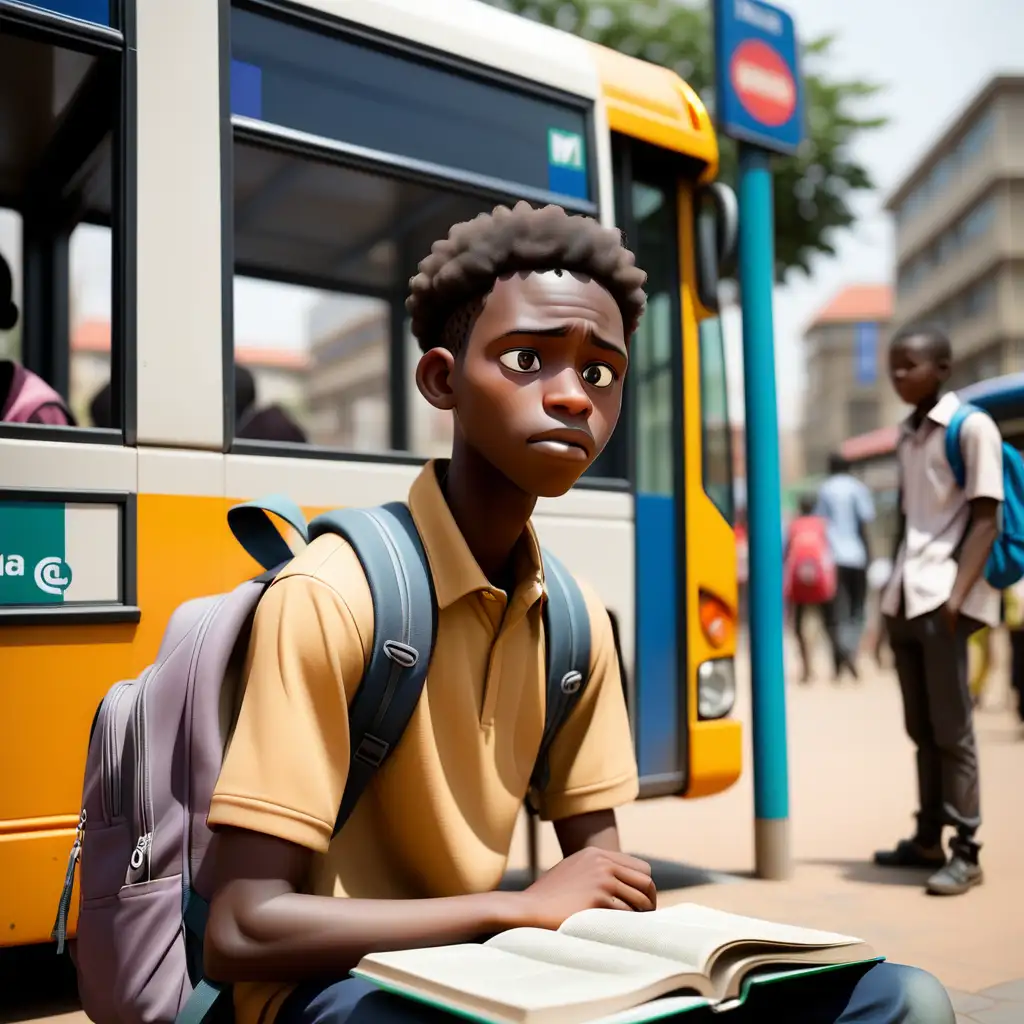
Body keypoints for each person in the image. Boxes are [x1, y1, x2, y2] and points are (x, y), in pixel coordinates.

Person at [203, 203, 954, 1024]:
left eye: (600, 373)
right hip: (343, 993)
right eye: (528, 359)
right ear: (443, 380)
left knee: (898, 999)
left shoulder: (572, 617)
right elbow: (242, 931)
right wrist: (511, 910)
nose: (571, 396)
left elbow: (600, 882)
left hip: (497, 981)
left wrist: (682, 976)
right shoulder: (331, 594)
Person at [874, 324, 1002, 897]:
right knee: (919, 726)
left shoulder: (972, 428)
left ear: (943, 368)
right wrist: (890, 598)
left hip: (942, 599)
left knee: (953, 729)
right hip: (906, 593)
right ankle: (927, 836)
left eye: (911, 366)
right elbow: (910, 520)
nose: (899, 376)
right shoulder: (906, 435)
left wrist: (955, 599)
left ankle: (966, 849)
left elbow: (986, 517)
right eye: (894, 366)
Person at [816, 452, 876, 679]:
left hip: (832, 559)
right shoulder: (857, 488)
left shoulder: (825, 489)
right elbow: (864, 525)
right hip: (856, 557)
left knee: (836, 611)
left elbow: (820, 524)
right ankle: (850, 651)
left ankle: (841, 655)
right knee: (856, 609)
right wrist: (869, 556)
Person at [785, 494, 838, 683]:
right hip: (821, 582)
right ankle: (838, 667)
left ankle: (807, 668)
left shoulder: (794, 526)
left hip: (798, 584)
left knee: (798, 627)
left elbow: (786, 553)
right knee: (829, 624)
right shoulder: (822, 525)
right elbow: (830, 552)